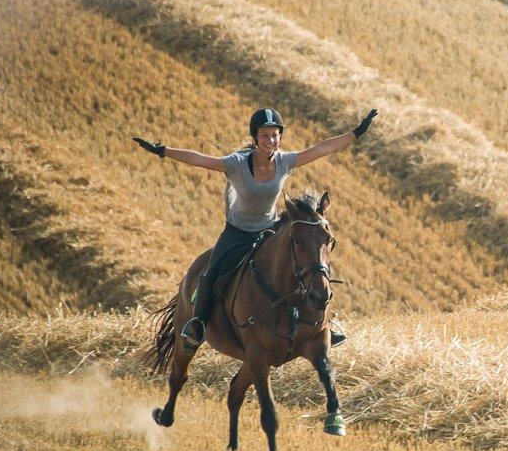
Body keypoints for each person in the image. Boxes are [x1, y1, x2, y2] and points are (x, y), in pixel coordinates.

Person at [133, 107, 377, 350]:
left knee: (303, 268)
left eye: (275, 135)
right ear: (254, 138)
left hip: (269, 230)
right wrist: (162, 150)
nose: (271, 141)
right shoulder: (237, 164)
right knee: (210, 274)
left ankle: (320, 327)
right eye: (264, 136)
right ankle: (197, 323)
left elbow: (323, 148)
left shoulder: (285, 161)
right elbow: (200, 159)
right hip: (237, 232)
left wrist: (356, 133)